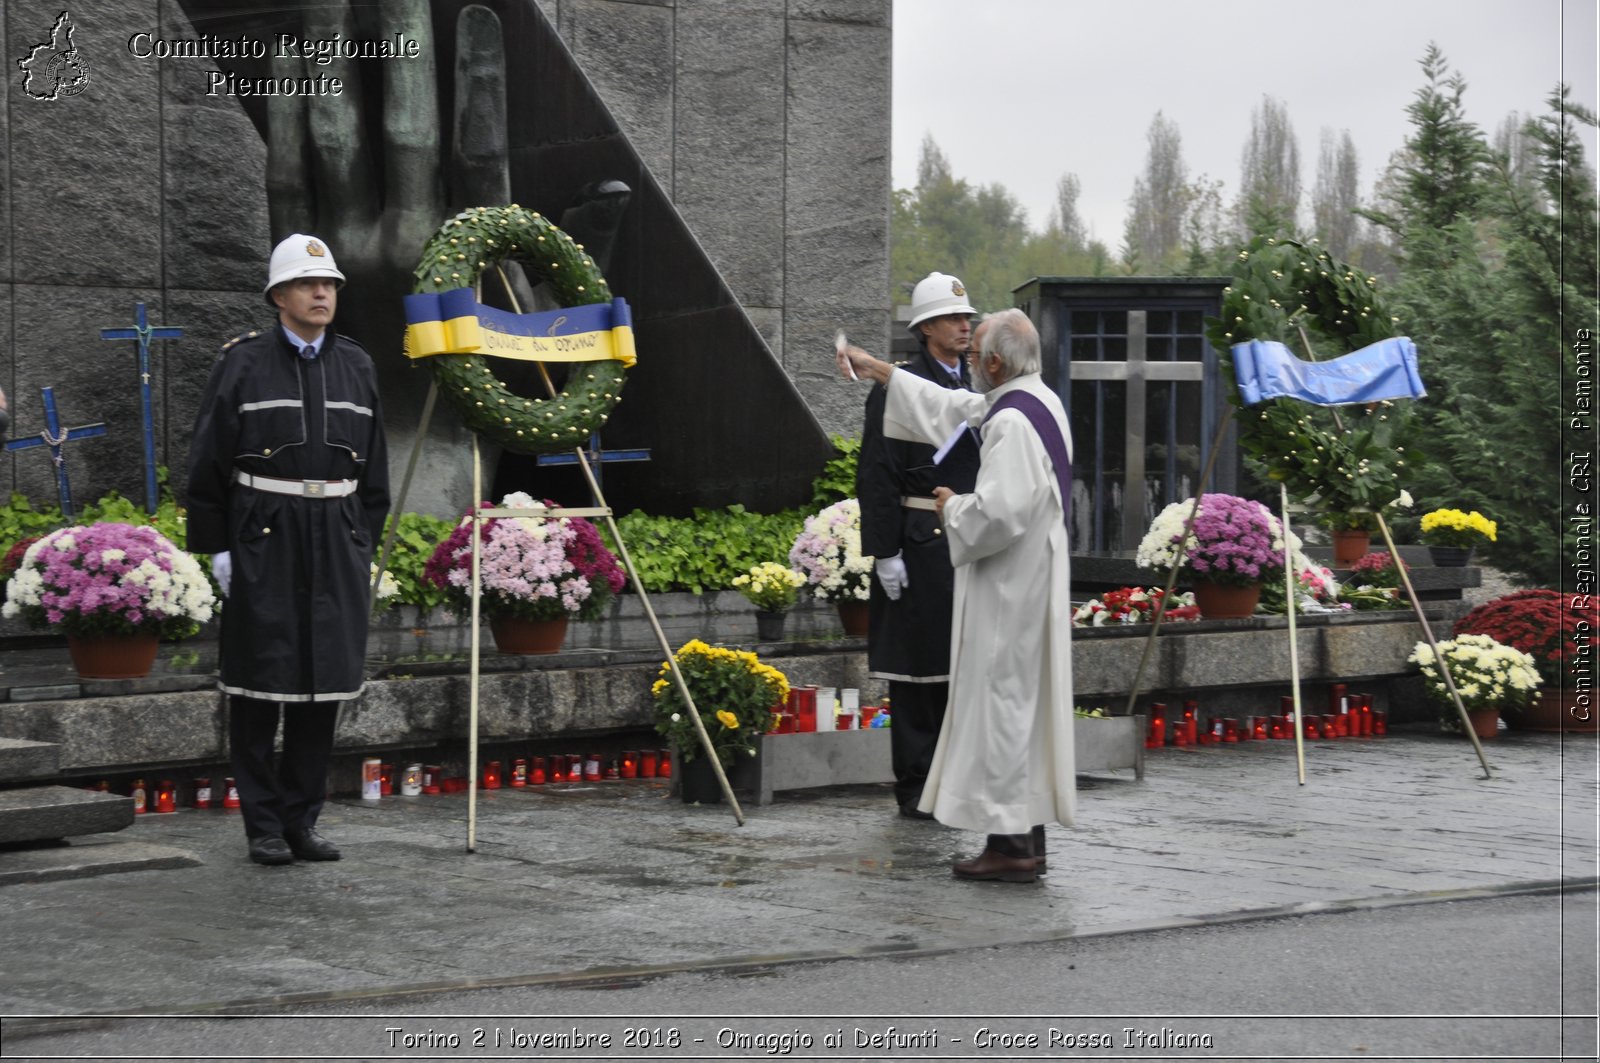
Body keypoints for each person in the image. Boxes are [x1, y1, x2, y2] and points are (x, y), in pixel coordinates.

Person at [837, 309, 1075, 884]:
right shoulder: (1035, 400)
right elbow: (952, 407)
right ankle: (1027, 839)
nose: (968, 366)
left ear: (995, 362)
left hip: (1011, 590)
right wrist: (882, 372)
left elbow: (998, 513)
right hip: (1031, 580)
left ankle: (1011, 845)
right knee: (1021, 707)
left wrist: (953, 506)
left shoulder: (1014, 423)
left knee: (1005, 708)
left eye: (974, 358)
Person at [186, 235, 391, 867]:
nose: (322, 293)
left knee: (322, 686)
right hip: (264, 535)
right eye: (308, 284)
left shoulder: (358, 365)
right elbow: (206, 464)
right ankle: (264, 826)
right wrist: (217, 549)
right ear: (279, 296)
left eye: (328, 284)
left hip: (336, 533)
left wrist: (362, 545)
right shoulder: (242, 363)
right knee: (258, 685)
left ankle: (303, 821)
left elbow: (376, 474)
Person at [856, 272, 980, 819]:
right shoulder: (895, 387)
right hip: (922, 539)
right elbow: (878, 475)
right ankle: (916, 785)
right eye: (954, 318)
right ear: (926, 327)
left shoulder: (981, 385)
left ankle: (954, 778)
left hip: (973, 537)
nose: (965, 325)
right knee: (918, 672)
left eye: (968, 317)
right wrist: (885, 551)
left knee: (963, 668)